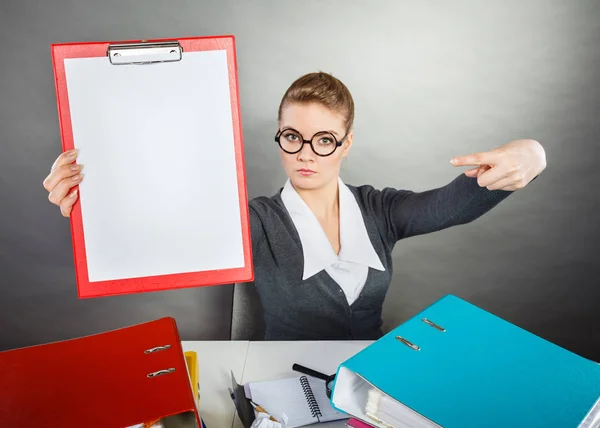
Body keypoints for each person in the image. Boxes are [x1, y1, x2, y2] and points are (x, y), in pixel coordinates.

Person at [42, 72, 547, 341]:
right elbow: (165, 235)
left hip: (368, 373)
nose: (306, 152)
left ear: (347, 144)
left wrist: (531, 154)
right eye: (293, 136)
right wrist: (92, 210)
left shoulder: (381, 210)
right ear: (279, 137)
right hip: (281, 383)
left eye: (325, 139)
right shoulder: (255, 220)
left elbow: (449, 205)